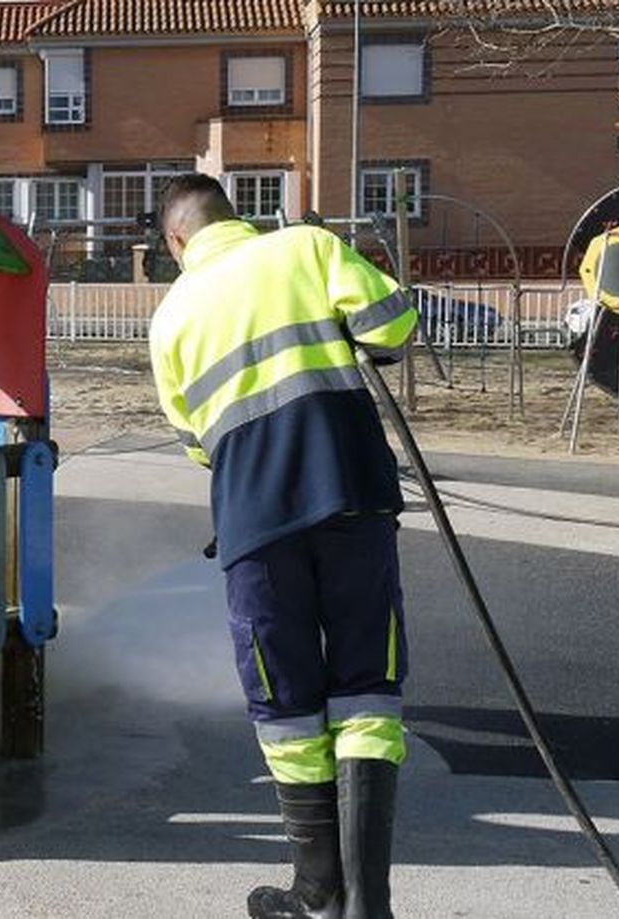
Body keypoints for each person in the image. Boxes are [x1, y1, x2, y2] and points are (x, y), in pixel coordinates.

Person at [146, 175, 418, 919]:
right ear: (236, 219)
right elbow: (392, 326)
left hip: (255, 523)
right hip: (352, 497)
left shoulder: (170, 321)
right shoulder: (305, 246)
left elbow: (199, 444)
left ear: (177, 241)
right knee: (366, 688)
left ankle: (316, 891)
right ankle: (368, 905)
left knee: (287, 704)